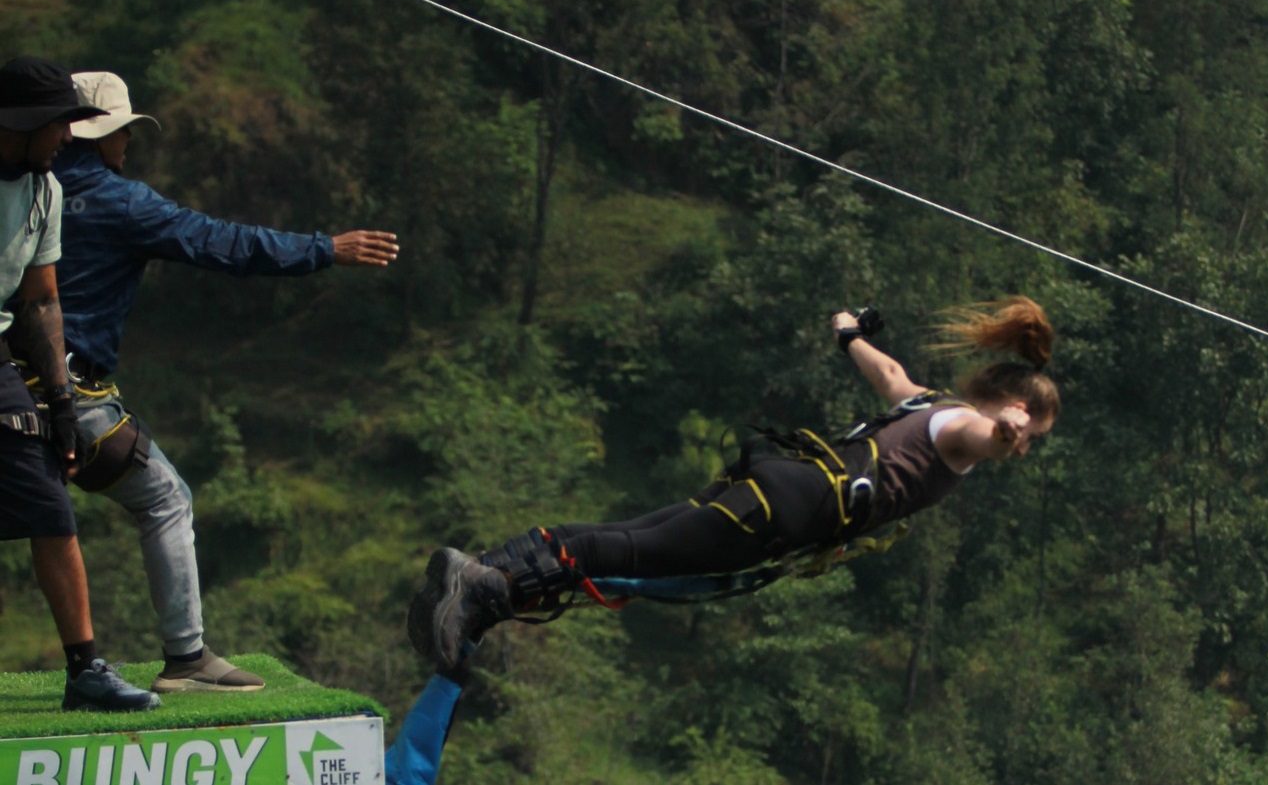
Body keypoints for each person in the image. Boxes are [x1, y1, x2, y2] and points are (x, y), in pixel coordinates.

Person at [408, 296, 1059, 672]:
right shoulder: (967, 434)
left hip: (780, 482)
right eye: (1034, 431)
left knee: (634, 539)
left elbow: (887, 369)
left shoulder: (928, 402)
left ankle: (480, 576)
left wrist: (848, 332)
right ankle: (478, 587)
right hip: (791, 510)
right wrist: (1006, 428)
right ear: (1010, 403)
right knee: (635, 556)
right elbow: (987, 435)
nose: (1026, 445)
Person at [41, 70, 400, 692]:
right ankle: (187, 658)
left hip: (6, 387)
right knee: (165, 498)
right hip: (71, 396)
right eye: (124, 132)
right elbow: (222, 243)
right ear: (101, 136)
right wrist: (325, 249)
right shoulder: (121, 202)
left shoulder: (21, 191)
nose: (128, 145)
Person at [0, 56, 160, 711]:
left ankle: (84, 670)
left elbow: (40, 301)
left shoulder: (45, 190)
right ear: (25, 122)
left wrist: (61, 404)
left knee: (47, 493)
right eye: (61, 125)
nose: (69, 138)